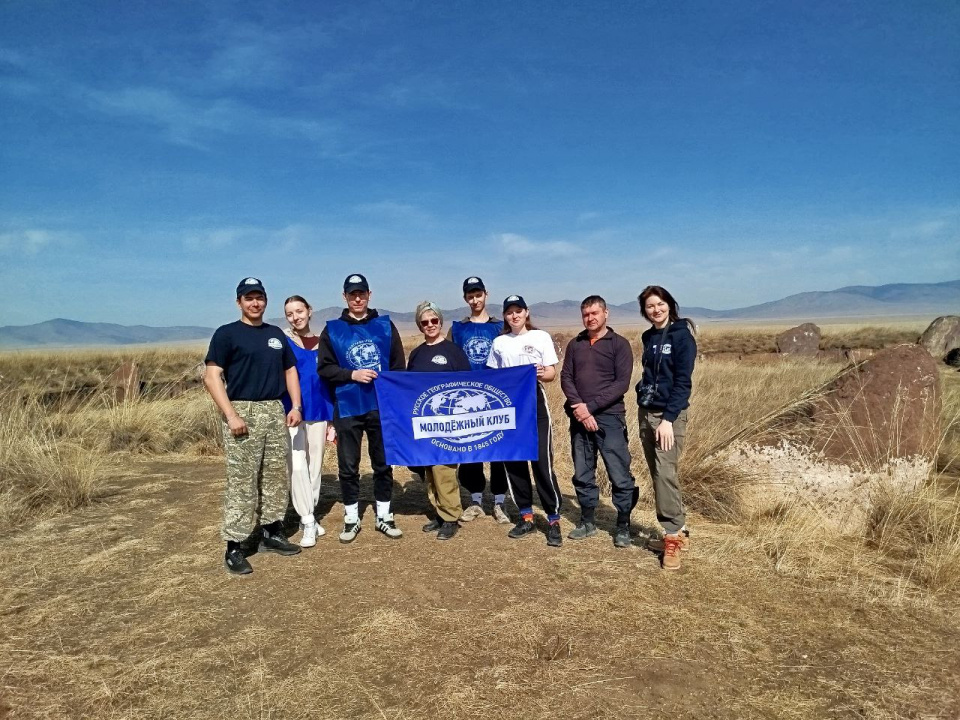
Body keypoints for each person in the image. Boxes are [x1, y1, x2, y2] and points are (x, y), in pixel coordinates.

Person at [203, 277, 304, 575]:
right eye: (249, 298)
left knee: (274, 476)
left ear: (265, 300)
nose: (255, 303)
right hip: (242, 411)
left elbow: (290, 370)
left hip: (274, 409)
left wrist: (295, 406)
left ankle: (272, 533)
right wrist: (231, 415)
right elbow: (211, 377)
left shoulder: (275, 335)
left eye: (259, 297)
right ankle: (234, 545)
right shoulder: (226, 334)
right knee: (242, 480)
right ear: (239, 302)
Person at [317, 273, 406, 543]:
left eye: (362, 293)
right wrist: (351, 375)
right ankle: (351, 517)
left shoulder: (385, 326)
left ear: (370, 294)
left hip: (380, 406)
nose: (358, 298)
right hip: (347, 405)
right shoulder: (332, 329)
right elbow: (325, 368)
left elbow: (398, 366)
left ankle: (384, 515)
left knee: (382, 463)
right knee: (348, 465)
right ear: (344, 296)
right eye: (352, 293)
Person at [487, 295, 564, 547]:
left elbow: (552, 373)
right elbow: (493, 376)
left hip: (535, 403)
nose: (514, 316)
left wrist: (544, 372)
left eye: (518, 310)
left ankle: (553, 520)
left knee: (542, 463)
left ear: (526, 312)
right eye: (509, 312)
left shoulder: (540, 337)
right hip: (508, 408)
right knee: (515, 462)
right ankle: (526, 516)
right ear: (505, 316)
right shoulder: (499, 342)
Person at [560, 295, 637, 548]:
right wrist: (580, 411)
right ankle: (587, 521)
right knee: (583, 472)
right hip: (579, 417)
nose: (590, 318)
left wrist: (589, 409)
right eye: (586, 314)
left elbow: (621, 384)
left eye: (595, 313)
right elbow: (566, 378)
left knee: (619, 473)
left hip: (610, 418)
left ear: (606, 313)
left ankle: (623, 525)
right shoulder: (575, 344)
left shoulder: (619, 344)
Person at [635, 285, 697, 571]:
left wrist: (669, 420)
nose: (655, 310)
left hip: (668, 417)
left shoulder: (683, 336)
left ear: (669, 305)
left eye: (659, 304)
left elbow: (683, 383)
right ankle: (679, 530)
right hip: (646, 412)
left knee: (665, 472)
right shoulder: (648, 337)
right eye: (649, 306)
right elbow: (650, 372)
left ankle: (672, 537)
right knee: (658, 473)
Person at [448, 276, 510, 524]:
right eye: (470, 296)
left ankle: (499, 502)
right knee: (470, 448)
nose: (475, 300)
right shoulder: (458, 328)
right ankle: (475, 501)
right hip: (466, 398)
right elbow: (452, 359)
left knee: (497, 448)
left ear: (486, 294)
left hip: (494, 398)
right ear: (465, 298)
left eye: (478, 295)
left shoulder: (499, 326)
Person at [408, 301, 471, 540]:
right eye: (425, 322)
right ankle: (440, 512)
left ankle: (451, 517)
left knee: (444, 469)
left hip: (449, 422)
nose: (430, 325)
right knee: (430, 470)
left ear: (441, 322)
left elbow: (467, 386)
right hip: (425, 422)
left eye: (434, 321)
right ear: (419, 325)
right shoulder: (416, 354)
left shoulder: (453, 351)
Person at [282, 295, 336, 548]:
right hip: (293, 411)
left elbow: (331, 378)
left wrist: (333, 420)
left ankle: (310, 515)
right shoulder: (283, 342)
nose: (295, 317)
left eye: (299, 311)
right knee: (297, 466)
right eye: (290, 314)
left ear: (309, 311)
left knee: (315, 467)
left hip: (321, 409)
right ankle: (307, 519)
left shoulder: (323, 342)